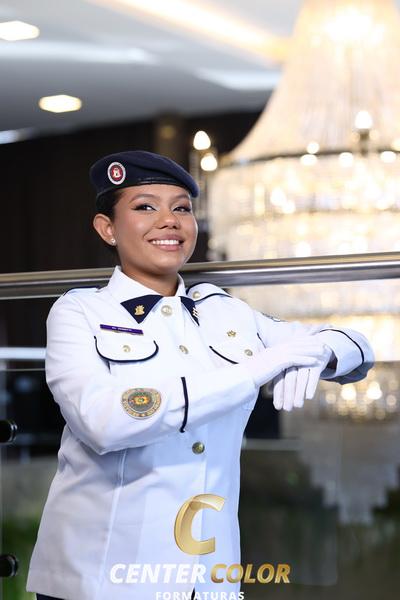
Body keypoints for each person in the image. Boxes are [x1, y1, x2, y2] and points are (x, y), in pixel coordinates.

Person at [27, 150, 374, 600]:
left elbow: (355, 345)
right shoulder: (80, 312)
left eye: (182, 208)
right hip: (101, 575)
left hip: (207, 575)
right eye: (145, 207)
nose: (169, 221)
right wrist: (252, 371)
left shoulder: (224, 310)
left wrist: (320, 351)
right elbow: (103, 422)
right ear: (107, 228)